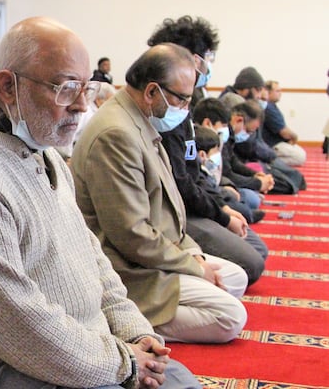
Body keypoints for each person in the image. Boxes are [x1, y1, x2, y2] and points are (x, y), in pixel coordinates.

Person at [0, 17, 200, 389]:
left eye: (87, 88)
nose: (82, 105)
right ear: (8, 87)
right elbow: (16, 323)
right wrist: (122, 364)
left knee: (181, 382)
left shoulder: (46, 153)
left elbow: (95, 262)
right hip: (1, 366)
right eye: (66, 89)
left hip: (88, 348)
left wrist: (134, 334)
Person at [71, 43, 248, 344]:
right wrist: (194, 266)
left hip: (157, 253)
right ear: (153, 91)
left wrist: (193, 255)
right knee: (230, 316)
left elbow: (171, 207)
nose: (186, 109)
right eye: (182, 99)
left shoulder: (139, 120)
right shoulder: (116, 134)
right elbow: (131, 235)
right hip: (128, 270)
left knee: (236, 278)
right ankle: (123, 322)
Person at [146, 15, 267, 284]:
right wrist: (221, 214)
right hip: (174, 213)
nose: (208, 66)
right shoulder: (162, 109)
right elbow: (179, 185)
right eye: (205, 58)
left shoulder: (184, 104)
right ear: (188, 59)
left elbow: (194, 171)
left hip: (192, 202)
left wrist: (222, 207)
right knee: (252, 262)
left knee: (254, 244)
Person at [192, 98, 265, 224]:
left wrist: (253, 177)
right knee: (248, 202)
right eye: (224, 126)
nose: (226, 130)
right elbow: (201, 179)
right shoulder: (201, 140)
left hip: (217, 186)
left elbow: (228, 165)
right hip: (209, 191)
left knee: (246, 197)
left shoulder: (218, 138)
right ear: (208, 123)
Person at [261, 80, 306, 166]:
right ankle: (267, 161)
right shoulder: (268, 108)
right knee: (300, 157)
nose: (280, 93)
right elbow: (284, 132)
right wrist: (295, 137)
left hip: (276, 142)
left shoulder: (271, 106)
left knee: (300, 153)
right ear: (268, 92)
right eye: (277, 91)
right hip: (273, 144)